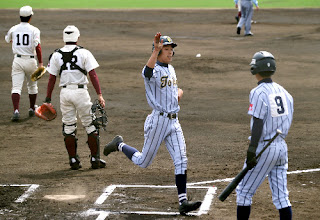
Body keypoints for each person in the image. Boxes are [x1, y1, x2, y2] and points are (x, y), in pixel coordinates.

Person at [103, 32, 202, 215]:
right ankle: (119, 144)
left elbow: (169, 93)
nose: (170, 52)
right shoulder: (152, 69)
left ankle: (183, 201)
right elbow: (147, 72)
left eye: (171, 49)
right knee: (143, 161)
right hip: (159, 121)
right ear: (157, 51)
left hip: (174, 121)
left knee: (181, 160)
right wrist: (155, 52)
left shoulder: (171, 69)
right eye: (166, 49)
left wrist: (178, 94)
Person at [236, 51, 293, 220]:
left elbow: (258, 122)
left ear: (255, 68)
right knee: (282, 197)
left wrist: (252, 150)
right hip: (282, 147)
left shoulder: (258, 92)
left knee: (244, 192)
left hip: (265, 147)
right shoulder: (285, 93)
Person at [45, 25, 106, 170]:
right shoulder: (84, 53)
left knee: (68, 126)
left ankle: (73, 160)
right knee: (91, 125)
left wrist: (47, 98)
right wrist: (99, 94)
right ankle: (94, 159)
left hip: (64, 94)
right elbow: (93, 75)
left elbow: (51, 79)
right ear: (77, 37)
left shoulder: (56, 55)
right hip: (80, 93)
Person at [5, 6, 43, 121]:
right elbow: (38, 47)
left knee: (16, 87)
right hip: (31, 61)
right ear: (30, 17)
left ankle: (16, 110)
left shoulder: (13, 28)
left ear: (20, 16)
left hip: (17, 61)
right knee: (32, 86)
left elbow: (7, 39)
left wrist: (14, 41)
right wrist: (40, 62)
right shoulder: (35, 30)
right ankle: (32, 108)